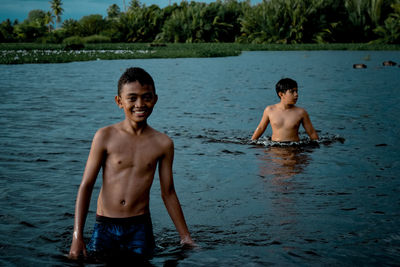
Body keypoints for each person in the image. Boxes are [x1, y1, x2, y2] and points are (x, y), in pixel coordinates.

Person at [69, 67, 194, 260]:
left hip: (140, 227)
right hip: (105, 225)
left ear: (155, 99)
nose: (140, 104)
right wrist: (77, 236)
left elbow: (168, 192)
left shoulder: (163, 143)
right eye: (132, 98)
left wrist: (185, 237)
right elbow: (86, 186)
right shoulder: (105, 136)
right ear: (119, 101)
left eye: (147, 97)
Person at [251, 78, 318, 142]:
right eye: (292, 92)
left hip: (294, 149)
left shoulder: (301, 112)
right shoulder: (270, 110)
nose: (296, 94)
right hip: (275, 148)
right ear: (281, 94)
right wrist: (251, 142)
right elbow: (260, 128)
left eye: (296, 91)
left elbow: (311, 132)